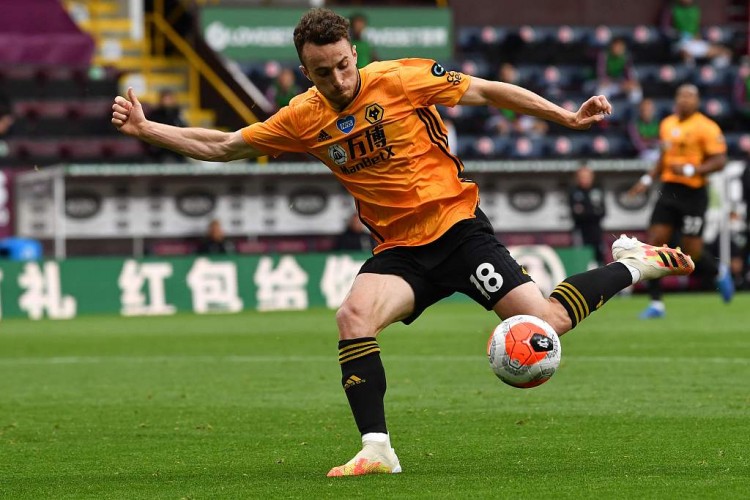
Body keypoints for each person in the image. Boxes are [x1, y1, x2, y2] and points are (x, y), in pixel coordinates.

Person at [112, 8, 694, 477]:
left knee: (545, 323)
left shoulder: (401, 79)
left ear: (354, 53)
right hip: (399, 251)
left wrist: (565, 117)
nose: (338, 81)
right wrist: (145, 128)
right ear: (305, 72)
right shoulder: (302, 118)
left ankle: (632, 264)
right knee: (352, 317)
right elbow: (223, 145)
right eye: (322, 72)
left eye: (343, 65)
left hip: (459, 229)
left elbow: (488, 91)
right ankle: (377, 448)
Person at [628, 83, 733, 319]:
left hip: (694, 193)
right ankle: (656, 303)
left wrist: (690, 169)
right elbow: (663, 159)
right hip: (669, 190)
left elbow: (720, 161)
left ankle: (718, 270)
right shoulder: (667, 124)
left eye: (689, 96)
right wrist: (647, 179)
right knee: (655, 243)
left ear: (697, 101)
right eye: (681, 96)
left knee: (691, 251)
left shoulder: (706, 127)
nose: (684, 100)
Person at [568, 163, 606, 266]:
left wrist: (586, 212)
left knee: (599, 255)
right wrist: (591, 212)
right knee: (581, 254)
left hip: (596, 229)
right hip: (580, 229)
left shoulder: (597, 190)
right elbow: (576, 213)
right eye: (582, 177)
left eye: (587, 177)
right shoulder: (574, 192)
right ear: (577, 178)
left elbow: (602, 211)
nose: (585, 179)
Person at [146, 89, 187, 163]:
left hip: (177, 152)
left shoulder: (178, 114)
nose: (167, 101)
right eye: (165, 99)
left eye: (170, 99)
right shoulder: (154, 115)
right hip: (159, 154)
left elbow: (184, 129)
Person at [628, 98, 661, 163]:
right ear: (640, 111)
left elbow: (662, 141)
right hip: (642, 154)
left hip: (657, 152)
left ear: (653, 110)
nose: (647, 112)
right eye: (644, 110)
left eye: (649, 110)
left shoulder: (660, 124)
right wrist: (653, 143)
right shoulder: (633, 125)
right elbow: (638, 144)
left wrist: (649, 142)